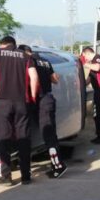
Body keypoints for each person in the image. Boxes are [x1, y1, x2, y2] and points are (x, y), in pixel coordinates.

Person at [0, 36, 39, 185]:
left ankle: (6, 176)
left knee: (2, 138)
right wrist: (32, 98)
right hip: (22, 102)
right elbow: (34, 77)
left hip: (2, 101)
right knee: (23, 138)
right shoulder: (26, 56)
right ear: (14, 44)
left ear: (2, 44)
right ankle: (26, 176)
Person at [19, 45, 67, 179]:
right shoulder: (45, 61)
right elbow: (55, 80)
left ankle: (58, 166)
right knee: (51, 133)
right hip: (48, 98)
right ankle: (57, 163)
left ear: (24, 53)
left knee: (47, 134)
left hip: (39, 99)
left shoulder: (29, 61)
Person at [82, 46, 100, 144]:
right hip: (98, 91)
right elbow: (90, 78)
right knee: (97, 115)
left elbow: (98, 68)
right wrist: (81, 85)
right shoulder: (93, 62)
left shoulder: (99, 58)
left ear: (87, 53)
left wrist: (85, 64)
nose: (85, 59)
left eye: (85, 56)